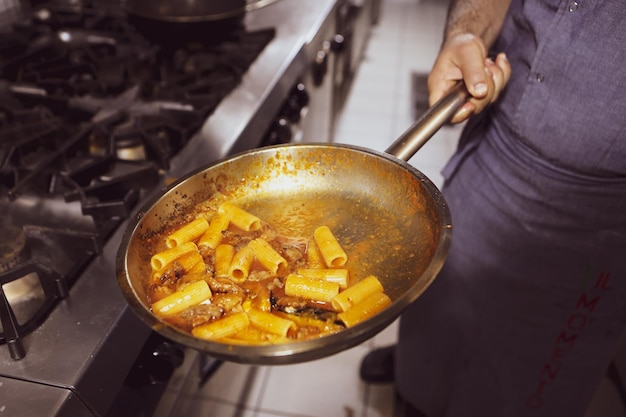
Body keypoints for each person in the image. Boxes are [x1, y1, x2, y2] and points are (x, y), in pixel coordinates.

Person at [359, 0, 626, 415]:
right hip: (495, 140)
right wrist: (466, 32)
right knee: (436, 312)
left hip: (605, 209)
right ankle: (414, 388)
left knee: (520, 384)